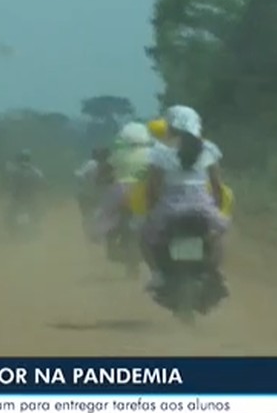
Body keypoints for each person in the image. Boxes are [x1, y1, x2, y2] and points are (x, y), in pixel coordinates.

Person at [140, 105, 229, 290]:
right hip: (203, 209)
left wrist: (150, 211)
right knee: (217, 236)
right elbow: (217, 187)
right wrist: (217, 209)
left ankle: (157, 275)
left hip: (170, 210)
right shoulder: (209, 149)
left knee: (144, 237)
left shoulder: (161, 150)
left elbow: (153, 188)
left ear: (170, 126)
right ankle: (217, 271)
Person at [92, 122, 152, 241]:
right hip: (145, 192)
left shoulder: (118, 154)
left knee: (105, 212)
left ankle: (99, 233)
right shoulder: (153, 154)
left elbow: (104, 171)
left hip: (120, 191)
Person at [75, 147, 111, 239]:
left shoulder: (90, 164)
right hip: (101, 195)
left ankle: (89, 235)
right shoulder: (109, 165)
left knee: (87, 215)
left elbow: (80, 176)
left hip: (86, 194)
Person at [4, 149, 44, 215]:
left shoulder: (14, 169)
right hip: (30, 197)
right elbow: (42, 181)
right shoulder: (35, 171)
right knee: (36, 213)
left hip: (18, 197)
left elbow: (9, 181)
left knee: (10, 214)